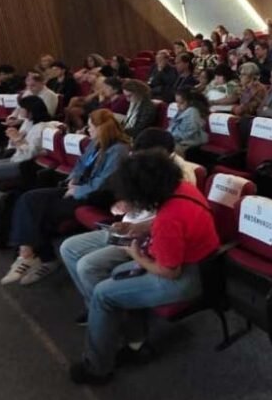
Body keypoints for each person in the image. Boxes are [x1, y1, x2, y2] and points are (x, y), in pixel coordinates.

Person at [68, 149, 218, 384]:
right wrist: (141, 228)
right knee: (116, 277)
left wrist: (136, 255)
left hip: (185, 279)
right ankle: (134, 342)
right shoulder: (183, 189)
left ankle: (97, 368)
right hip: (204, 265)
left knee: (103, 294)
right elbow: (171, 219)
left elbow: (170, 272)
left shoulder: (169, 219)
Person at [58, 129, 203, 325]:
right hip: (130, 224)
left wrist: (137, 232)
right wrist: (126, 205)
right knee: (68, 248)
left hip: (144, 236)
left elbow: (167, 220)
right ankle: (96, 309)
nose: (134, 157)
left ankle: (107, 314)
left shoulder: (178, 176)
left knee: (87, 266)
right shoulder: (150, 167)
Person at [3, 109, 130, 286]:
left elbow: (103, 183)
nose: (88, 130)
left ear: (102, 128)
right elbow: (80, 166)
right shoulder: (95, 143)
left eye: (91, 127)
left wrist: (77, 191)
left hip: (98, 197)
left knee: (37, 209)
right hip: (80, 189)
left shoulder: (118, 150)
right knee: (29, 199)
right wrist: (72, 181)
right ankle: (31, 256)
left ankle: (37, 258)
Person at [0, 96, 53, 228]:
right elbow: (15, 144)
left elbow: (30, 153)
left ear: (30, 111)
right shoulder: (28, 122)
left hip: (25, 164)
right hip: (16, 157)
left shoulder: (42, 127)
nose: (20, 111)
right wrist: (14, 137)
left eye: (22, 109)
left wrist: (17, 139)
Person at [169, 88, 209, 155]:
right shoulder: (183, 111)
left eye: (181, 103)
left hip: (187, 143)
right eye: (177, 102)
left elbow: (187, 133)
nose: (177, 105)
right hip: (178, 141)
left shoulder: (192, 112)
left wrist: (168, 137)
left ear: (191, 102)